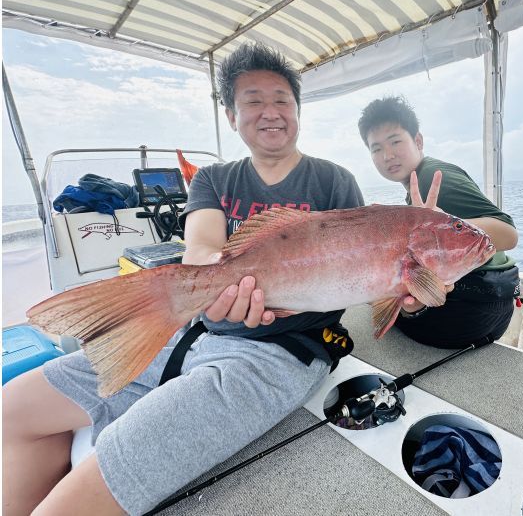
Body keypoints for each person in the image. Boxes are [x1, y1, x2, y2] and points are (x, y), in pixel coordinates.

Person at [2, 43, 366, 515]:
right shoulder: (212, 178)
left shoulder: (334, 181)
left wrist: (412, 294)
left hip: (276, 352)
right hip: (190, 331)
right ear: (232, 116)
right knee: (11, 410)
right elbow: (200, 249)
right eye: (253, 101)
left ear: (298, 111)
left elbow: (363, 268)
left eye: (282, 100)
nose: (270, 112)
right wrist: (212, 290)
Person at [358, 95, 520, 349]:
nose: (387, 155)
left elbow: (508, 234)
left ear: (418, 141)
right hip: (494, 307)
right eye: (376, 149)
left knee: (371, 292)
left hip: (473, 306)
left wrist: (441, 227)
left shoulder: (432, 178)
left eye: (395, 142)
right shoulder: (416, 182)